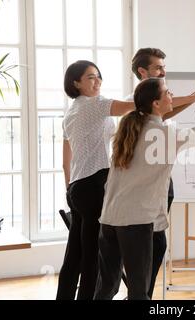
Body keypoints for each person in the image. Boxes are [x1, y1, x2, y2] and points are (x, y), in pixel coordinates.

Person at [94, 72, 195, 300]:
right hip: (135, 222)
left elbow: (164, 115)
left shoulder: (129, 128)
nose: (172, 95)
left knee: (106, 288)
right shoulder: (164, 134)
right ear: (156, 103)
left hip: (110, 218)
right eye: (168, 92)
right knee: (138, 292)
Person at [122, 47, 195, 298]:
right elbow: (162, 112)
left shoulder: (156, 105)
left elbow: (164, 111)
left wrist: (194, 97)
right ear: (142, 71)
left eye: (163, 67)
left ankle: (141, 294)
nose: (163, 71)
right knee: (152, 246)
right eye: (158, 67)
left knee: (156, 246)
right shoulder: (133, 103)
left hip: (161, 186)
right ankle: (140, 294)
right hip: (142, 194)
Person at [57, 60, 135, 300]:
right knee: (93, 255)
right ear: (76, 83)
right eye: (91, 77)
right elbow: (133, 106)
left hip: (78, 186)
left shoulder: (71, 112)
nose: (97, 80)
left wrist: (70, 189)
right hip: (94, 185)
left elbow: (65, 160)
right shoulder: (95, 105)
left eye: (98, 76)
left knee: (75, 255)